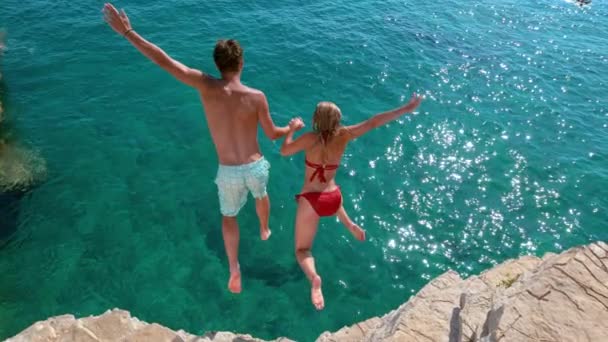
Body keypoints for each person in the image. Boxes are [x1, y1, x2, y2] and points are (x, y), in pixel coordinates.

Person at [103, 3, 295, 294]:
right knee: (261, 195)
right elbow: (272, 134)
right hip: (254, 166)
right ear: (241, 64)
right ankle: (264, 228)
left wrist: (128, 32)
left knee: (228, 217)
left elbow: (165, 61)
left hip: (228, 171)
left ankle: (234, 267)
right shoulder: (257, 97)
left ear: (217, 65)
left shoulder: (205, 86)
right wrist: (290, 129)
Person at [280, 94, 423, 310]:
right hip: (333, 198)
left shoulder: (310, 138)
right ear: (337, 121)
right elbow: (374, 121)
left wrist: (291, 130)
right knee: (333, 188)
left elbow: (284, 151)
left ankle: (314, 279)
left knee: (302, 250)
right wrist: (405, 109)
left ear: (316, 119)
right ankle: (349, 224)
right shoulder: (345, 135)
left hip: (312, 201)